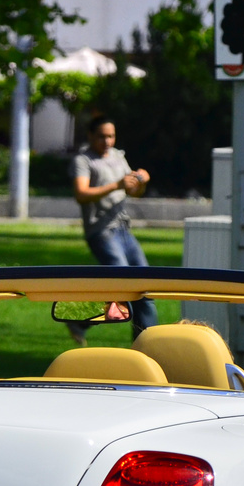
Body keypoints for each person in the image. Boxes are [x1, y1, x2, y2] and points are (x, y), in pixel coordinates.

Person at [68, 118, 157, 343]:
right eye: (101, 136)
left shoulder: (118, 156)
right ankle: (79, 320)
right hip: (101, 232)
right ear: (90, 136)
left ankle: (148, 347)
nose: (107, 141)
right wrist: (116, 185)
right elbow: (81, 193)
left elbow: (133, 191)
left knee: (145, 289)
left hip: (124, 230)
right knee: (122, 287)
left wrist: (142, 181)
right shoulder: (84, 160)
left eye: (111, 136)